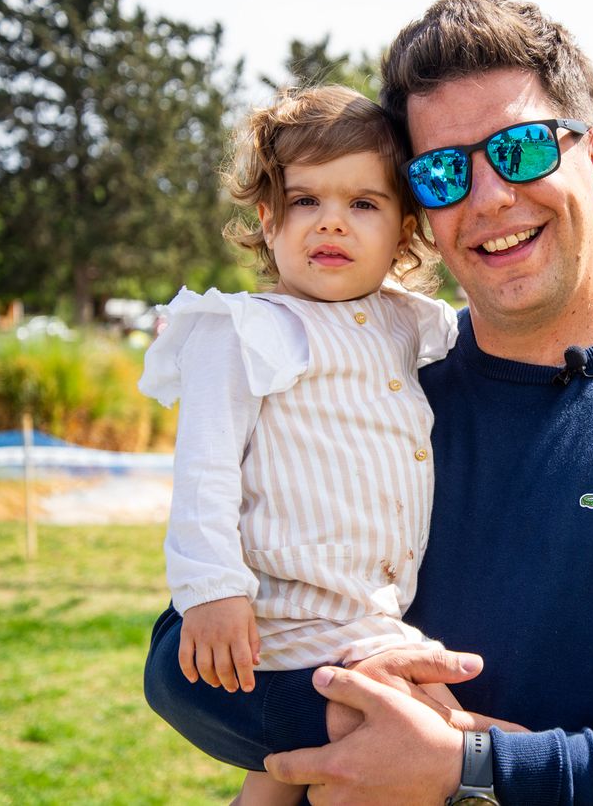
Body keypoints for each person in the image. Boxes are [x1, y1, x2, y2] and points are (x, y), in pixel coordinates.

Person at [147, 0, 593, 805]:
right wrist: (347, 725)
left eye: (524, 148)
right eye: (441, 171)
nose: (490, 196)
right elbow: (177, 666)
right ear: (419, 214)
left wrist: (469, 771)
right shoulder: (380, 385)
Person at [139, 85, 488, 804]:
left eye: (364, 204)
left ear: (404, 229)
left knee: (288, 778)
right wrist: (211, 592)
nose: (333, 223)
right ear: (267, 220)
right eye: (306, 202)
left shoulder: (411, 324)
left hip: (373, 615)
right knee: (412, 738)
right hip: (279, 617)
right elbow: (204, 472)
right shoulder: (243, 329)